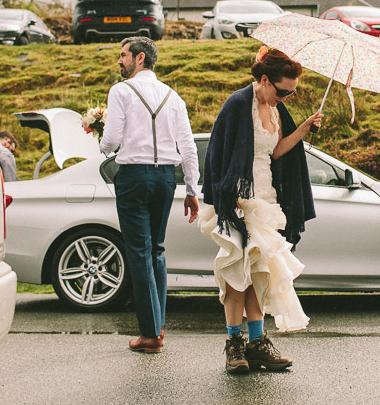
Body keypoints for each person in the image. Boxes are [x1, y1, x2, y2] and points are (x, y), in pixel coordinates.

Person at [199, 46, 323, 374]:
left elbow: (278, 151)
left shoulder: (276, 109)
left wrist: (305, 127)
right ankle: (234, 345)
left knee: (259, 274)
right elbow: (217, 153)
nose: (287, 98)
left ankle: (256, 344)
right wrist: (230, 195)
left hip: (265, 201)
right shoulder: (238, 104)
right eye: (283, 91)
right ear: (265, 79)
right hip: (236, 199)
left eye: (293, 93)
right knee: (236, 273)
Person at [98, 37, 200, 354]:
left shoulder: (121, 92)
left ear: (140, 58)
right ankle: (158, 324)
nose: (119, 61)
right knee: (156, 249)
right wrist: (192, 189)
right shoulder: (174, 97)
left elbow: (111, 142)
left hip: (132, 177)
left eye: (123, 55)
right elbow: (189, 147)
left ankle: (150, 334)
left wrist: (100, 139)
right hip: (165, 179)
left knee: (140, 253)